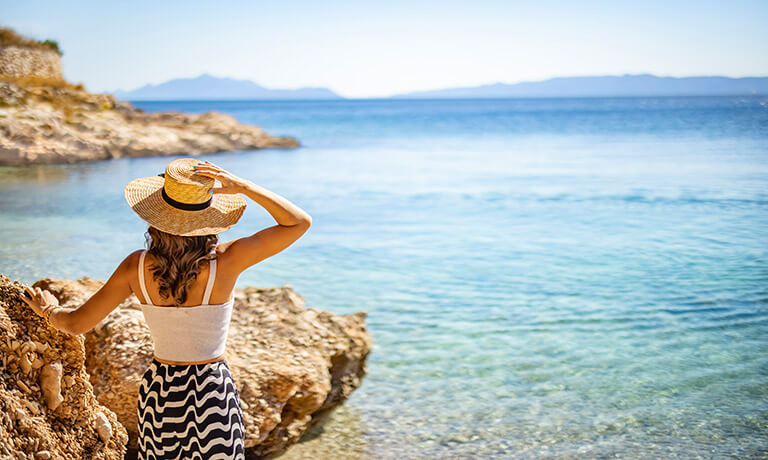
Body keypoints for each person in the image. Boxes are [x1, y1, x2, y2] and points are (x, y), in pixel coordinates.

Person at [21, 157, 312, 459]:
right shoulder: (226, 260)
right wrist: (245, 187)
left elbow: (76, 324)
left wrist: (48, 310)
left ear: (155, 217)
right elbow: (298, 222)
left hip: (161, 388)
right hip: (211, 386)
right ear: (208, 217)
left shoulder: (136, 266)